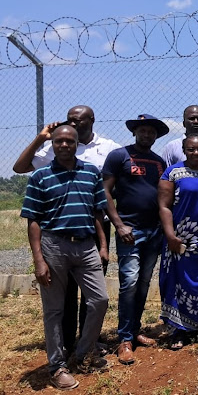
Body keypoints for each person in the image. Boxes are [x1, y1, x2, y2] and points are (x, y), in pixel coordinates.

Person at [13, 105, 119, 356]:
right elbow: (20, 167)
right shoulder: (55, 148)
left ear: (91, 121)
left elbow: (110, 189)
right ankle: (67, 342)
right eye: (69, 120)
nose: (73, 125)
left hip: (92, 225)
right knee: (66, 292)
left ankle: (88, 341)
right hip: (58, 229)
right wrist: (42, 138)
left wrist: (105, 241)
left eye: (78, 121)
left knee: (94, 293)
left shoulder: (108, 148)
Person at [21, 125, 109, 390]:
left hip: (86, 246)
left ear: (76, 143)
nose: (64, 145)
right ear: (53, 144)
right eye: (59, 141)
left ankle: (82, 354)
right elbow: (33, 220)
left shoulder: (91, 172)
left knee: (99, 300)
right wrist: (39, 260)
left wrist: (103, 245)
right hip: (54, 246)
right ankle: (57, 366)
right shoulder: (40, 176)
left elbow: (98, 212)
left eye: (69, 141)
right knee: (55, 310)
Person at [102, 114, 169, 365]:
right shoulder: (119, 156)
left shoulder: (158, 162)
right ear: (135, 132)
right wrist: (119, 225)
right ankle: (124, 339)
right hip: (129, 231)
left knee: (142, 283)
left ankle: (135, 329)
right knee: (128, 283)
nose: (147, 135)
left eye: (152, 132)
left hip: (154, 231)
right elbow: (105, 192)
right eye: (143, 131)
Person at [157, 134, 198, 349]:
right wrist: (170, 235)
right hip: (180, 238)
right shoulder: (173, 172)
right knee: (178, 281)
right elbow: (164, 206)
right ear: (184, 150)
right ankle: (178, 330)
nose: (196, 153)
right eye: (191, 149)